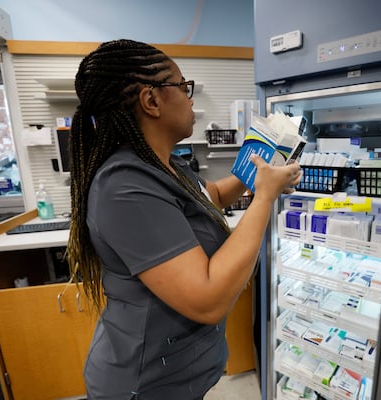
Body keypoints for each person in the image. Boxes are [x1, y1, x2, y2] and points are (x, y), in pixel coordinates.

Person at [67, 39, 302, 400]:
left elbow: (213, 196)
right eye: (183, 86)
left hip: (179, 375)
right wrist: (265, 196)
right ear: (151, 100)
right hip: (143, 386)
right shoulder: (125, 187)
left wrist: (258, 171)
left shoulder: (164, 165)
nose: (190, 98)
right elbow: (207, 299)